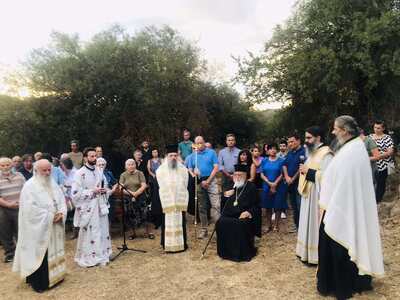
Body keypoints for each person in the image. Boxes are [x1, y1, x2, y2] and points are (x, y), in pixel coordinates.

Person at [317, 115, 384, 299]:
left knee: (340, 244)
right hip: (341, 204)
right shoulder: (351, 147)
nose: (333, 131)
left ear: (345, 131)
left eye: (335, 128)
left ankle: (342, 285)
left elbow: (344, 181)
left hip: (342, 207)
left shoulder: (353, 150)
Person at [13, 159, 67, 293]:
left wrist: (61, 212)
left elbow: (61, 200)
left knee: (54, 251)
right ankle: (41, 282)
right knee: (40, 253)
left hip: (54, 226)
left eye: (49, 170)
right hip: (38, 229)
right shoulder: (29, 186)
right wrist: (50, 216)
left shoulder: (53, 183)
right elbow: (29, 210)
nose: (48, 172)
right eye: (44, 170)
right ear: (36, 170)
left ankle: (57, 276)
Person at [296, 126, 333, 265]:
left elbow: (329, 177)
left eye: (309, 138)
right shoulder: (313, 152)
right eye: (306, 137)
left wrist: (308, 172)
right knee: (306, 222)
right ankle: (305, 253)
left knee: (315, 225)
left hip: (318, 197)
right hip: (308, 193)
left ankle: (315, 256)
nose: (306, 141)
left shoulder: (326, 153)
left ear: (318, 138)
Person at [71, 147, 112, 267]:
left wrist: (105, 191)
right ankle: (91, 256)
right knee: (92, 232)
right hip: (89, 208)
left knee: (103, 229)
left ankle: (103, 254)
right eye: (92, 156)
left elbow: (106, 185)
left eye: (95, 156)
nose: (95, 158)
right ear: (85, 158)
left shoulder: (99, 171)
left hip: (100, 205)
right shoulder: (80, 173)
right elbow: (75, 194)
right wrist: (92, 191)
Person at [216, 164, 259, 262]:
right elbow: (224, 205)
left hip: (244, 216)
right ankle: (225, 252)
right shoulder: (231, 185)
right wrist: (226, 196)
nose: (237, 177)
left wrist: (248, 212)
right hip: (230, 214)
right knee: (220, 222)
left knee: (240, 224)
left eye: (240, 175)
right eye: (235, 175)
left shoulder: (251, 187)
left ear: (245, 176)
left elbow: (256, 205)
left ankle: (242, 253)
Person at [157, 145, 189, 252]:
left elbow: (186, 184)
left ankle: (182, 244)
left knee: (181, 222)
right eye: (171, 155)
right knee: (166, 222)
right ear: (167, 156)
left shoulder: (183, 169)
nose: (173, 157)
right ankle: (165, 243)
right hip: (168, 201)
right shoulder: (160, 170)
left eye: (175, 155)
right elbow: (161, 184)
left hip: (179, 200)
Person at [187, 136, 220, 239]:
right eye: (197, 143)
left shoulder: (211, 153)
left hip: (211, 180)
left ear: (204, 142)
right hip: (199, 182)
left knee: (216, 205)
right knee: (202, 207)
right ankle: (204, 230)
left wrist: (208, 181)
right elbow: (189, 169)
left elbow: (216, 167)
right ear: (195, 144)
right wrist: (193, 174)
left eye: (201, 143)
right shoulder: (193, 156)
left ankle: (219, 229)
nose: (199, 145)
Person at [119, 159, 154, 239]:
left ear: (135, 165)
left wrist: (136, 194)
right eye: (129, 165)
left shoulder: (140, 173)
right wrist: (132, 194)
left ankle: (148, 232)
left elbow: (144, 185)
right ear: (126, 166)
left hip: (140, 196)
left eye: (132, 164)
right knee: (129, 214)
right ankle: (133, 233)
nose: (131, 166)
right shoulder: (123, 175)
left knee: (145, 214)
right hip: (128, 197)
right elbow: (121, 187)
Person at [0, 157, 25, 263]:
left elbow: (26, 190)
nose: (5, 167)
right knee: (5, 232)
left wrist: (21, 202)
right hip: (4, 208)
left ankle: (22, 253)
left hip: (20, 207)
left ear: (11, 165)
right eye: (2, 165)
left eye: (7, 165)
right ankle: (10, 253)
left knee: (21, 230)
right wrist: (9, 204)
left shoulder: (20, 176)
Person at [260, 144, 287, 232]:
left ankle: (276, 225)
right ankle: (269, 225)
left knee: (278, 206)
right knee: (268, 206)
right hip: (266, 185)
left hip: (279, 186)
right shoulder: (264, 160)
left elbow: (282, 174)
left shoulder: (281, 161)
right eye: (271, 149)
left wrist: (275, 184)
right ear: (267, 151)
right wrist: (269, 183)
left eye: (275, 149)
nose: (273, 150)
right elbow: (261, 174)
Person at [283, 134, 306, 231]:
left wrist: (293, 178)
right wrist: (287, 176)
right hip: (290, 184)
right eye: (288, 142)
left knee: (300, 205)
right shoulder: (289, 153)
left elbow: (302, 166)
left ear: (298, 141)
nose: (289, 144)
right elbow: (284, 165)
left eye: (292, 141)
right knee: (294, 206)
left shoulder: (304, 152)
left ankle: (303, 228)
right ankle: (297, 225)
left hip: (299, 184)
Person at [370, 121, 395, 203]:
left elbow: (390, 152)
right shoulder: (369, 137)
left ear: (383, 128)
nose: (376, 129)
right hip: (371, 164)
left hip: (384, 164)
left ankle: (377, 201)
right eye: (375, 127)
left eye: (378, 128)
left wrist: (378, 157)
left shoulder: (387, 138)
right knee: (372, 182)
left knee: (380, 183)